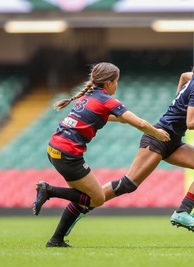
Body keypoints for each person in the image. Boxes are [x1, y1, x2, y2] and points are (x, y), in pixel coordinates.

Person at [64, 51, 194, 236]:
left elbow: (184, 76)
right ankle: (79, 208)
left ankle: (183, 212)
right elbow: (191, 123)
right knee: (128, 184)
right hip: (158, 137)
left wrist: (178, 101)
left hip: (172, 140)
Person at [33, 62, 170, 248]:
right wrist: (157, 133)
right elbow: (140, 123)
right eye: (117, 81)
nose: (117, 85)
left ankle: (56, 240)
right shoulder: (107, 100)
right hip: (68, 154)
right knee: (97, 198)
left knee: (80, 198)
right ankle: (48, 190)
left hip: (55, 148)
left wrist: (123, 120)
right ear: (108, 83)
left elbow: (104, 116)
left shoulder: (88, 96)